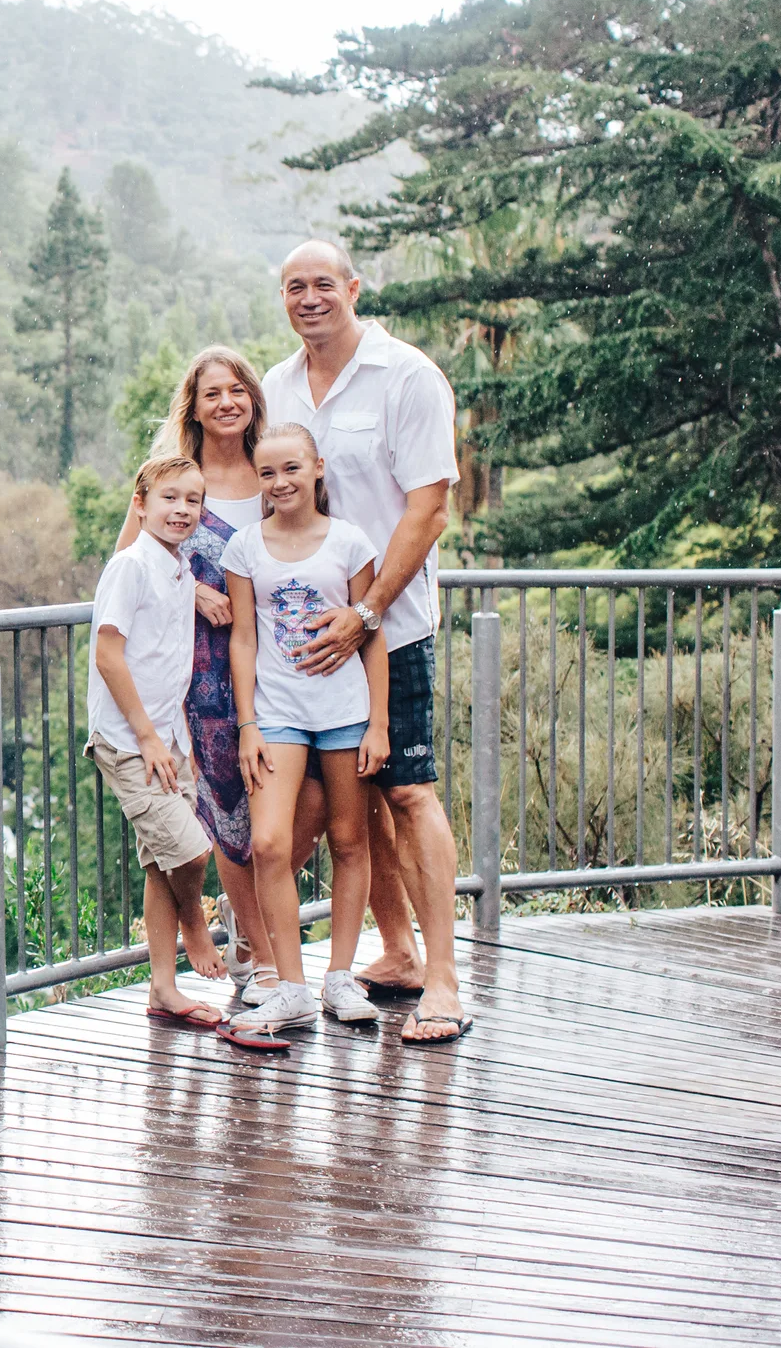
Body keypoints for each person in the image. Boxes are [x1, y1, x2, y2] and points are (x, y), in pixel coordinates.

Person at [263, 239, 469, 1046]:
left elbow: (429, 510)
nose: (308, 298)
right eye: (292, 288)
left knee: (410, 790)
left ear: (353, 288)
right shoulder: (278, 385)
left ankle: (445, 980)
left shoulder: (407, 376)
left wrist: (370, 610)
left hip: (392, 625)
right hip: (305, 643)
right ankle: (396, 951)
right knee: (362, 796)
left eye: (322, 284)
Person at [113, 347, 287, 1004]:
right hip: (200, 678)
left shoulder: (273, 469)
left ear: (253, 398)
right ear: (195, 404)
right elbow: (130, 560)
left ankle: (249, 934)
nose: (226, 402)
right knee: (225, 816)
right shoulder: (178, 478)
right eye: (212, 392)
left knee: (298, 806)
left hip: (279, 661)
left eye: (237, 389)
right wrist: (193, 595)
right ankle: (256, 957)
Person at [87, 454, 278, 1049]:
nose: (182, 510)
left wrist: (181, 740)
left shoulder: (176, 570)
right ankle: (199, 929)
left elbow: (171, 661)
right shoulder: (130, 568)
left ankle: (163, 990)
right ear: (140, 504)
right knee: (192, 854)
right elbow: (109, 654)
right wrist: (146, 736)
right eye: (169, 498)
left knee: (158, 862)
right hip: (128, 740)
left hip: (169, 739)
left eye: (193, 501)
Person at [222, 425, 387, 1033]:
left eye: (291, 469)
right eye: (267, 474)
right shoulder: (245, 547)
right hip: (278, 713)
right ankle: (288, 986)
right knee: (269, 843)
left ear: (318, 468)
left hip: (345, 713)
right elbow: (243, 638)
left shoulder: (348, 541)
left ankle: (338, 977)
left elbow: (371, 635)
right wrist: (247, 723)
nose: (280, 482)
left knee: (349, 840)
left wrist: (380, 724)